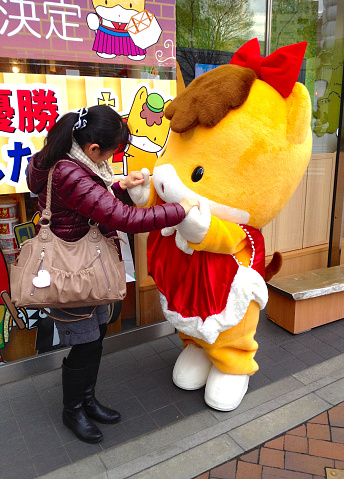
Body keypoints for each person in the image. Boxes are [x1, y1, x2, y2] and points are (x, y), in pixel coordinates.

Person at [26, 104, 199, 444]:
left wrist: (119, 185)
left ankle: (87, 399)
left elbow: (93, 203)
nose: (113, 158)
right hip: (71, 270)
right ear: (93, 149)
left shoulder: (75, 161)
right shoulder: (69, 173)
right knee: (85, 342)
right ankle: (72, 409)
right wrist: (178, 210)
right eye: (112, 152)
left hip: (91, 266)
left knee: (98, 333)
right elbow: (123, 219)